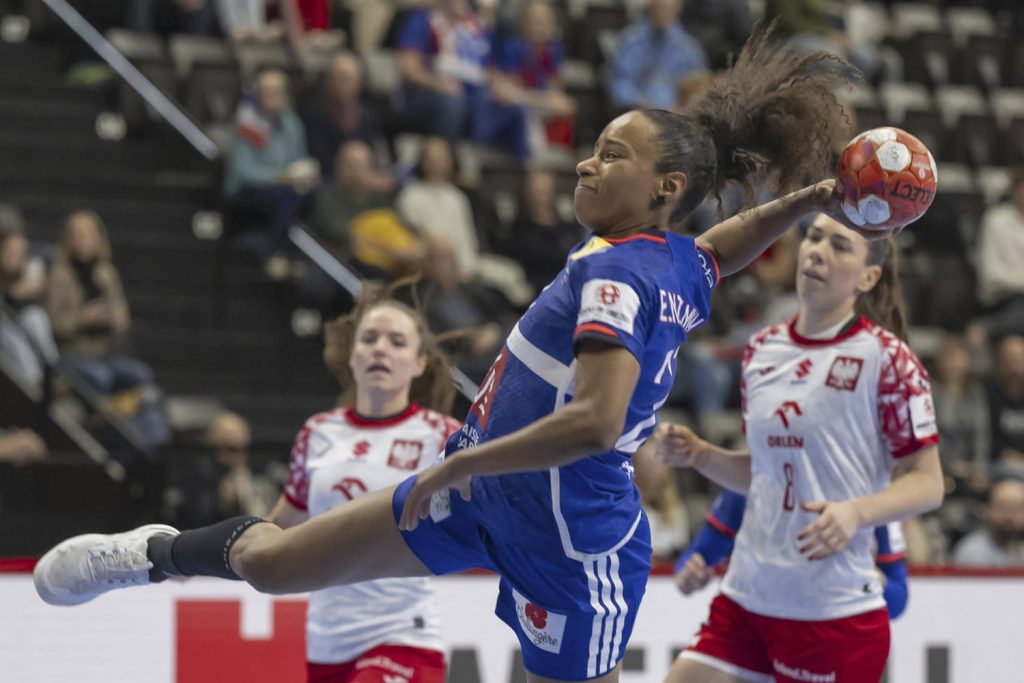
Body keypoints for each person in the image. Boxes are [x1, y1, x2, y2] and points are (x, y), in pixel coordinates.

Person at [35, 33, 867, 683]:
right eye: (596, 146)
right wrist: (812, 197)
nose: (587, 160)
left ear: (665, 188)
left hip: (571, 541)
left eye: (614, 154)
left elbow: (595, 421)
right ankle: (148, 555)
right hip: (489, 490)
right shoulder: (674, 258)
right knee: (274, 562)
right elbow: (722, 245)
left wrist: (444, 471)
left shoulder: (621, 271)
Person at [659, 213, 945, 683]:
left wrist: (855, 513)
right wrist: (701, 455)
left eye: (839, 246)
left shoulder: (888, 358)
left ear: (869, 277)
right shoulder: (761, 350)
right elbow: (763, 475)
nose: (817, 251)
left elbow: (928, 483)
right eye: (813, 237)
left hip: (832, 614)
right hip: (747, 597)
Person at [269, 289, 461, 681]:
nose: (380, 350)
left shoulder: (442, 435)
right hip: (326, 643)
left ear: (419, 363)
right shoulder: (318, 432)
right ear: (351, 356)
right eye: (369, 339)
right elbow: (281, 525)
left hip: (404, 635)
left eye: (397, 342)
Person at [671, 489, 909, 620]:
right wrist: (688, 574)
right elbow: (698, 554)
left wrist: (862, 573)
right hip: (756, 621)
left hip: (832, 624)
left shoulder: (869, 489)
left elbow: (898, 600)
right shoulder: (754, 477)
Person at [224, 68, 318, 277]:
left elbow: (299, 159)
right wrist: (279, 178)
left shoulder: (292, 123)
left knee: (309, 195)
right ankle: (275, 254)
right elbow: (243, 171)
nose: (273, 97)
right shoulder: (247, 123)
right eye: (267, 92)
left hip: (285, 187)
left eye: (278, 91)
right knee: (286, 198)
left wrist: (304, 174)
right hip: (247, 190)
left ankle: (301, 258)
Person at [609, 0, 708, 111]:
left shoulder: (689, 48)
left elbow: (700, 87)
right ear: (650, 5)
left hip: (678, 115)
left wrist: (680, 107)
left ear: (678, 9)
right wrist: (640, 102)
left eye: (667, 8)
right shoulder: (630, 41)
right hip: (639, 113)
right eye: (659, 7)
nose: (662, 13)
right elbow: (620, 84)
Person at [951, 478, 1024, 567]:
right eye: (1002, 507)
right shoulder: (971, 553)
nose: (1009, 515)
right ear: (987, 510)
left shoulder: (1020, 549)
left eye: (1017, 508)